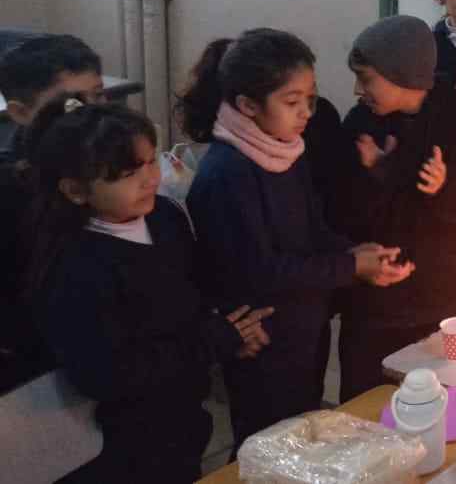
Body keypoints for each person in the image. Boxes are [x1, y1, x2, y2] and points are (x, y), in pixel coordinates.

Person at [181, 29, 412, 449]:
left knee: (302, 433)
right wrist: (349, 266)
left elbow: (311, 230)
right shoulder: (228, 173)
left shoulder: (285, 149)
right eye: (292, 102)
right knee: (267, 446)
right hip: (263, 342)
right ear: (248, 106)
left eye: (310, 97)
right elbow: (261, 272)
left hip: (304, 327)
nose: (306, 112)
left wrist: (353, 252)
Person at [25, 99, 274, 483]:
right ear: (75, 190)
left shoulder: (164, 216)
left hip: (181, 415)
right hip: (122, 442)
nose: (150, 179)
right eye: (127, 173)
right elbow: (105, 375)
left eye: (150, 161)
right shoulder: (75, 269)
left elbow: (192, 292)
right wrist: (212, 341)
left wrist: (229, 331)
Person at [339, 15, 456, 400]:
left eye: (366, 78)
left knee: (439, 412)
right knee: (365, 411)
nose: (357, 89)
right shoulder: (360, 123)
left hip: (443, 309)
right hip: (373, 309)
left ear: (402, 75)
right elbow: (342, 210)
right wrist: (376, 177)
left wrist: (444, 189)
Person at [0, 35, 105, 391]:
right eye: (74, 103)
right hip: (42, 365)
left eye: (98, 95)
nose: (93, 114)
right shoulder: (11, 193)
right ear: (20, 112)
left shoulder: (106, 160)